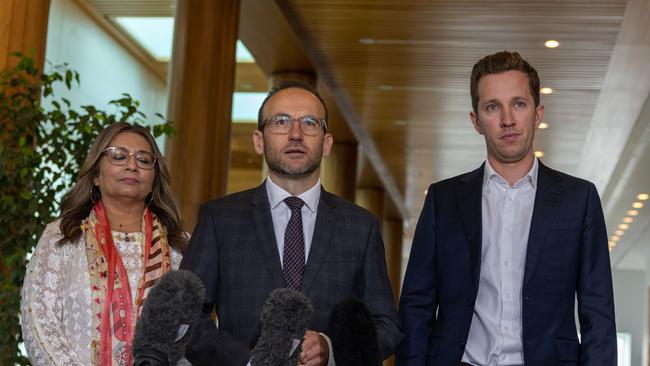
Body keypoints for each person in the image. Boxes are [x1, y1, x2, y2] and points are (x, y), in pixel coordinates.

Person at [396, 51, 616, 366]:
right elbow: (416, 306)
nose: (507, 119)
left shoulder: (579, 199)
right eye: (492, 107)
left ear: (537, 113)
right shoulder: (442, 201)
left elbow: (599, 313)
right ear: (476, 121)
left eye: (519, 104)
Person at [180, 81, 403, 366]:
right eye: (281, 121)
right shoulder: (220, 219)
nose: (296, 134)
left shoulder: (361, 227)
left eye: (310, 123)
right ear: (259, 141)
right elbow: (186, 315)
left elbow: (386, 325)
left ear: (326, 144)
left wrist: (331, 349)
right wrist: (246, 362)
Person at [21, 122, 187, 366]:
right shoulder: (63, 236)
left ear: (154, 178)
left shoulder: (180, 246)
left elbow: (195, 332)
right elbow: (38, 320)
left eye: (143, 160)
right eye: (118, 156)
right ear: (96, 174)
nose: (132, 165)